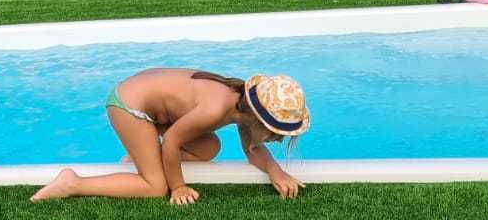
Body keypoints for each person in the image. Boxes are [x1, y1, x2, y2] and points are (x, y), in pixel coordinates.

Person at [31, 70, 309, 205]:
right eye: (278, 132)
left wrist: (276, 171)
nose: (278, 140)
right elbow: (174, 141)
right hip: (129, 106)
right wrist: (178, 187)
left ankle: (145, 153)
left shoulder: (243, 104)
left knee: (209, 147)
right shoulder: (216, 109)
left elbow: (252, 149)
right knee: (155, 187)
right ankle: (73, 183)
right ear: (258, 118)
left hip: (151, 107)